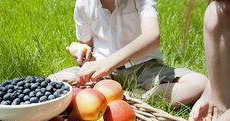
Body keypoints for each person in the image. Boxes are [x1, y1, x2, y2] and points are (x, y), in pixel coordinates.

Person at [48, 0, 208, 108]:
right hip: (101, 73)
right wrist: (84, 57)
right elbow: (86, 47)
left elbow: (152, 37)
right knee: (52, 82)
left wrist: (109, 62)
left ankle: (134, 100)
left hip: (144, 67)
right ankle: (122, 97)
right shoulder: (84, 4)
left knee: (199, 83)